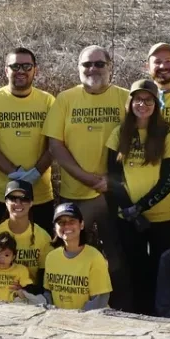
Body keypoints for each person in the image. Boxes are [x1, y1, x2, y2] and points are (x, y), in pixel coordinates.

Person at [46, 46, 128, 280]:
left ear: (110, 67)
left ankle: (119, 306)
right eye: (86, 64)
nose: (93, 69)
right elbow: (56, 145)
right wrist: (85, 177)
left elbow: (136, 143)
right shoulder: (65, 99)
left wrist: (111, 181)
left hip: (115, 193)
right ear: (78, 68)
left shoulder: (126, 98)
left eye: (99, 64)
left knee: (117, 255)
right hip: (76, 195)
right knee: (70, 251)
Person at [103, 80, 170, 313]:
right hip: (127, 217)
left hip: (163, 216)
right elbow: (113, 176)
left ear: (156, 104)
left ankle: (161, 314)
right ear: (130, 102)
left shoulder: (167, 131)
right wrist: (129, 209)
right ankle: (137, 314)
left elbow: (169, 178)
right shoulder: (120, 132)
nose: (142, 104)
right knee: (135, 269)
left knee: (162, 269)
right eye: (138, 99)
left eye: (148, 100)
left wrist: (141, 207)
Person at [0, 47, 57, 228]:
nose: (21, 71)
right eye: (15, 66)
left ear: (36, 70)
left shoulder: (48, 101)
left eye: (27, 66)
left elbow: (55, 143)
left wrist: (35, 173)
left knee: (41, 248)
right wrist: (15, 173)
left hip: (40, 194)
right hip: (1, 193)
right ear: (6, 70)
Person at [0, 182, 54, 291]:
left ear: (31, 202)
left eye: (24, 199)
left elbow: (45, 275)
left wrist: (28, 291)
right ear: (5, 202)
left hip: (30, 296)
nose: (18, 203)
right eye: (12, 198)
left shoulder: (43, 236)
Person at [44, 203, 113, 311]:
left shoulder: (94, 257)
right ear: (55, 228)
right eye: (61, 222)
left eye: (72, 221)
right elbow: (48, 293)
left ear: (81, 225)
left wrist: (78, 320)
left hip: (90, 321)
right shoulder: (51, 257)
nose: (66, 226)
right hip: (58, 321)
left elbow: (100, 299)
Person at [0, 234, 35, 303]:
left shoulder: (21, 269)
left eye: (7, 255)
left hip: (14, 305)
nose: (2, 258)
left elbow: (28, 287)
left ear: (13, 256)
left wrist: (22, 289)